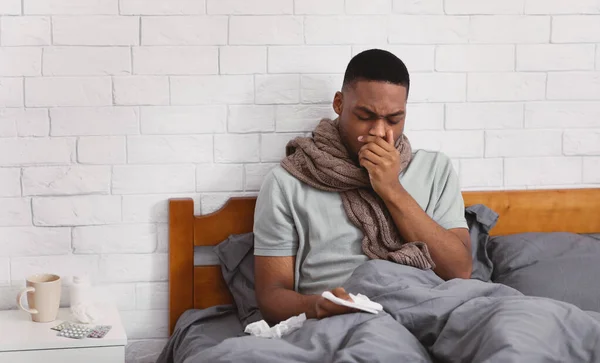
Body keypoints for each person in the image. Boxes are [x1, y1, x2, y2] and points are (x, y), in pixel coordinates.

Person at [253, 49, 471, 326]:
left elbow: (460, 271)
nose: (380, 132)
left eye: (394, 119)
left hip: (435, 307)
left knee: (517, 323)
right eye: (366, 116)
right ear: (339, 103)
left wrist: (392, 190)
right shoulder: (288, 182)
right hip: (352, 320)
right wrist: (317, 306)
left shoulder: (434, 169)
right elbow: (271, 297)